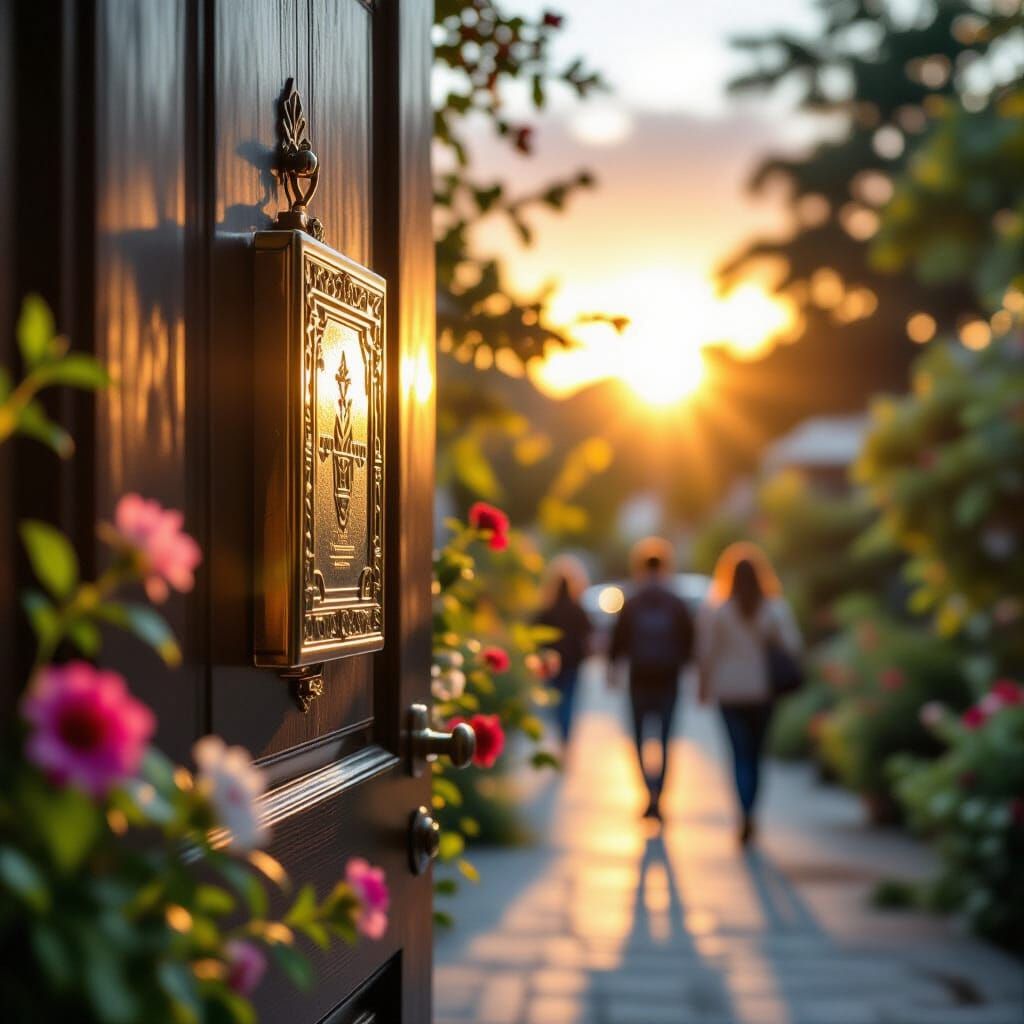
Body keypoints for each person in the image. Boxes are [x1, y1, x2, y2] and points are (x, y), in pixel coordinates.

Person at [698, 542, 801, 845]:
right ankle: (751, 811)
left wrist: (703, 687)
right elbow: (793, 646)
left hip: (729, 692)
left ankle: (743, 811)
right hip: (762, 692)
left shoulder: (719, 610)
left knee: (739, 755)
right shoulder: (774, 609)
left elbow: (707, 654)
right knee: (755, 756)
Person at [609, 538, 695, 820]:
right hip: (668, 678)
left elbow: (618, 640)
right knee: (666, 739)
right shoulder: (676, 601)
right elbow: (689, 642)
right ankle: (660, 795)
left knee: (639, 738)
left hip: (640, 677)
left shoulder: (632, 600)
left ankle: (649, 791)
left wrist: (612, 669)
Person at [535, 556, 592, 746]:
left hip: (552, 664)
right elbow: (587, 635)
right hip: (573, 663)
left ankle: (562, 736)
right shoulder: (577, 609)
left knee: (555, 702)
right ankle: (564, 737)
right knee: (568, 701)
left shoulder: (547, 610)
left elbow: (536, 636)